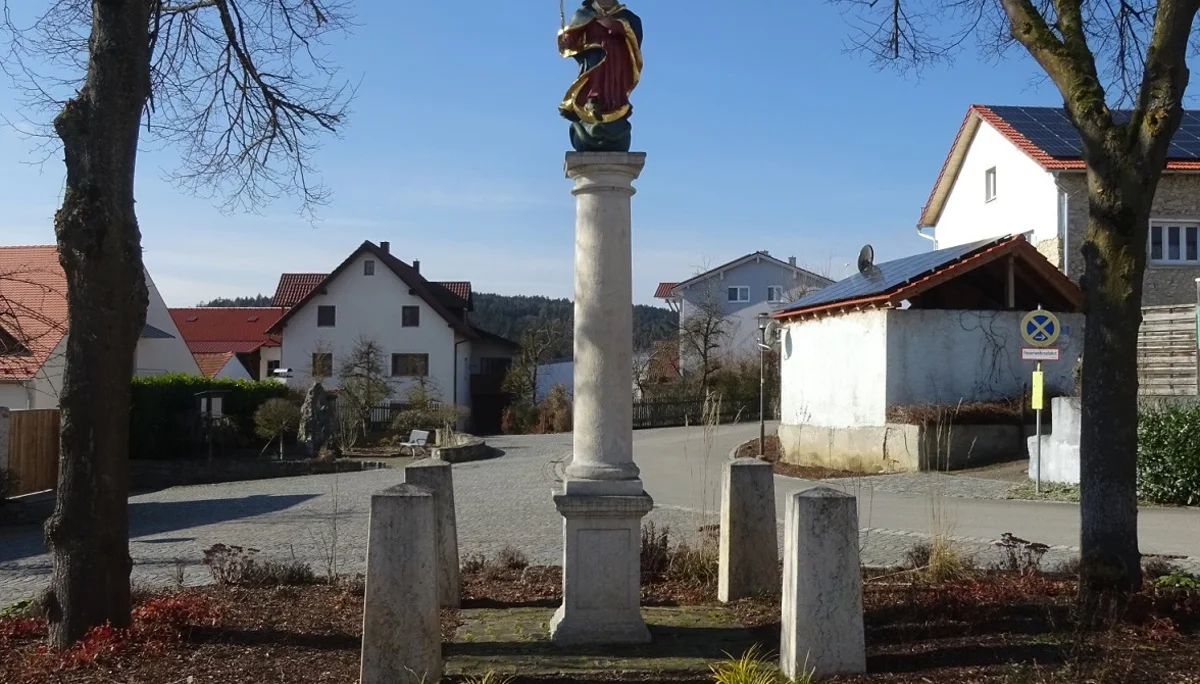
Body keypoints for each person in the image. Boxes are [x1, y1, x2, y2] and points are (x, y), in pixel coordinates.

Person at [557, 0, 643, 152]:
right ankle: (592, 101)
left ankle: (612, 106)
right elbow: (573, 36)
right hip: (594, 59)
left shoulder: (627, 16)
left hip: (616, 60)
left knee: (613, 86)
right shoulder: (584, 14)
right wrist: (566, 41)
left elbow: (635, 36)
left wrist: (617, 26)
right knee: (596, 64)